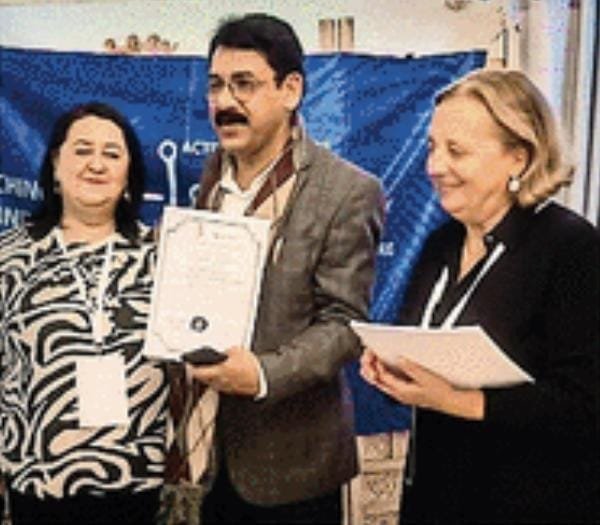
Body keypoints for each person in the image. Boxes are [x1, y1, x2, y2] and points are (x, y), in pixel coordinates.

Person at [361, 69, 600, 523]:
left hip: (533, 503)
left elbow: (585, 405)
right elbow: (424, 360)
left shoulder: (571, 247)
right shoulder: (441, 244)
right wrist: (394, 373)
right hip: (437, 496)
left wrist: (460, 401)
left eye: (457, 151)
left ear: (518, 158)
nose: (434, 166)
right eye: (432, 147)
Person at [184, 13, 384, 525]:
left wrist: (261, 375)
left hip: (294, 468)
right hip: (208, 455)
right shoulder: (211, 176)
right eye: (216, 85)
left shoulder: (347, 191)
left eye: (244, 84)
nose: (225, 102)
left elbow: (344, 325)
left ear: (290, 89)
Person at [0, 102, 168, 524]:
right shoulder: (10, 257)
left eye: (112, 153)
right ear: (56, 164)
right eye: (82, 150)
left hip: (141, 482)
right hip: (38, 481)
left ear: (129, 173)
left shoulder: (163, 256)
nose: (96, 164)